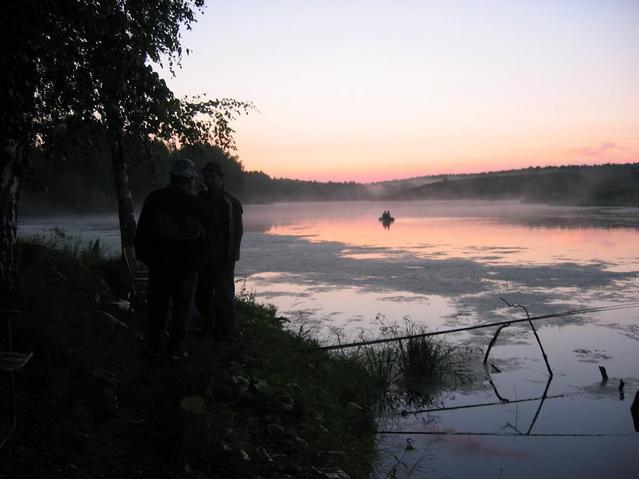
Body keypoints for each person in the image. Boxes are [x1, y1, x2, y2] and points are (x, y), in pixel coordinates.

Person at [134, 158, 213, 359]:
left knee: (157, 304)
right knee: (183, 306)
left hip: (159, 263)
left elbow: (142, 231)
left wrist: (143, 256)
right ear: (191, 180)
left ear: (173, 177)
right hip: (188, 266)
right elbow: (209, 229)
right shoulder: (199, 205)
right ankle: (176, 348)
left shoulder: (155, 199)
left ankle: (154, 343)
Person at [195, 161, 243, 340]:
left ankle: (227, 333)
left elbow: (235, 232)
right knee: (201, 296)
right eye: (206, 177)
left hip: (224, 259)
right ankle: (209, 327)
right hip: (204, 258)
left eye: (212, 177)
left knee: (224, 298)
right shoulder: (201, 199)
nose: (209, 180)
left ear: (221, 179)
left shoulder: (229, 202)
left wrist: (228, 257)